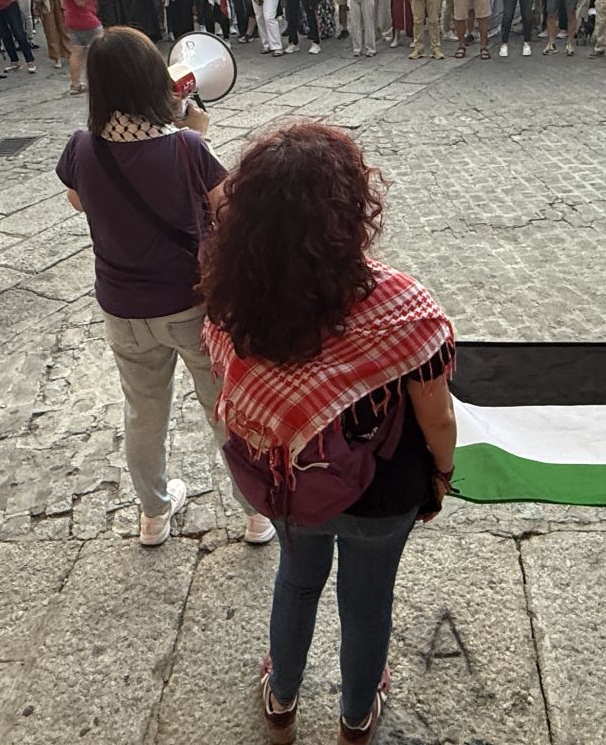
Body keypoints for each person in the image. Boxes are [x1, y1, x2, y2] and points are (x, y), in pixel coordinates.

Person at [201, 121, 457, 745]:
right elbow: (438, 415)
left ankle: (282, 698)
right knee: (367, 604)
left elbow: (236, 393)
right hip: (383, 492)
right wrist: (441, 476)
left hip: (288, 482)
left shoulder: (233, 298)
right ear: (351, 208)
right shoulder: (401, 306)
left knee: (296, 578)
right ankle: (354, 718)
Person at [50, 27, 274, 551]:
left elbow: (79, 202)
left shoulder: (82, 147)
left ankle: (153, 512)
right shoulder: (188, 148)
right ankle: (255, 513)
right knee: (222, 408)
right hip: (190, 305)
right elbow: (229, 214)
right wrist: (198, 134)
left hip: (122, 309)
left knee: (143, 412)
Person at [58, 0, 101, 95]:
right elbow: (80, 0)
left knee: (77, 51)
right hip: (85, 19)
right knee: (99, 50)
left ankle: (75, 84)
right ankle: (99, 82)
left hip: (73, 18)